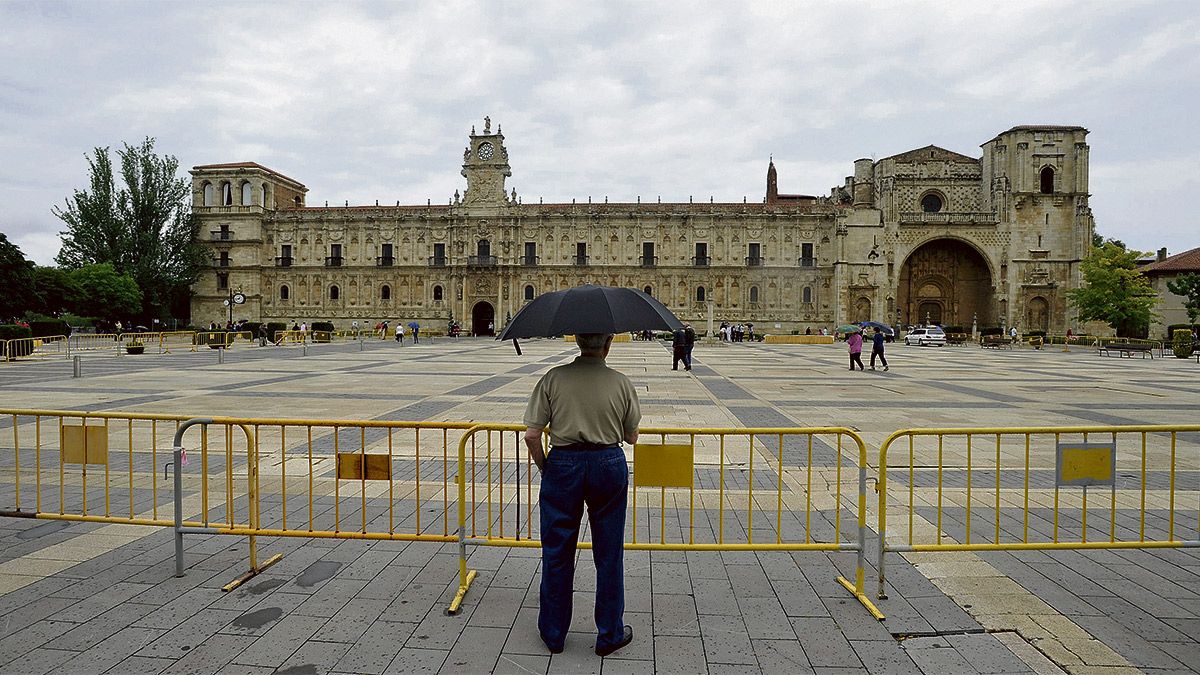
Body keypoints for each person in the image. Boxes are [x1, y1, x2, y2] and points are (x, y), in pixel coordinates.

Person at [523, 332, 640, 657]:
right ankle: (609, 634)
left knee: (558, 549)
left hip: (564, 463)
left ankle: (553, 633)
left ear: (576, 341)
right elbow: (632, 437)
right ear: (608, 344)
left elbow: (532, 436)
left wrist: (548, 468)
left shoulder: (553, 378)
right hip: (607, 463)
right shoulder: (621, 382)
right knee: (609, 552)